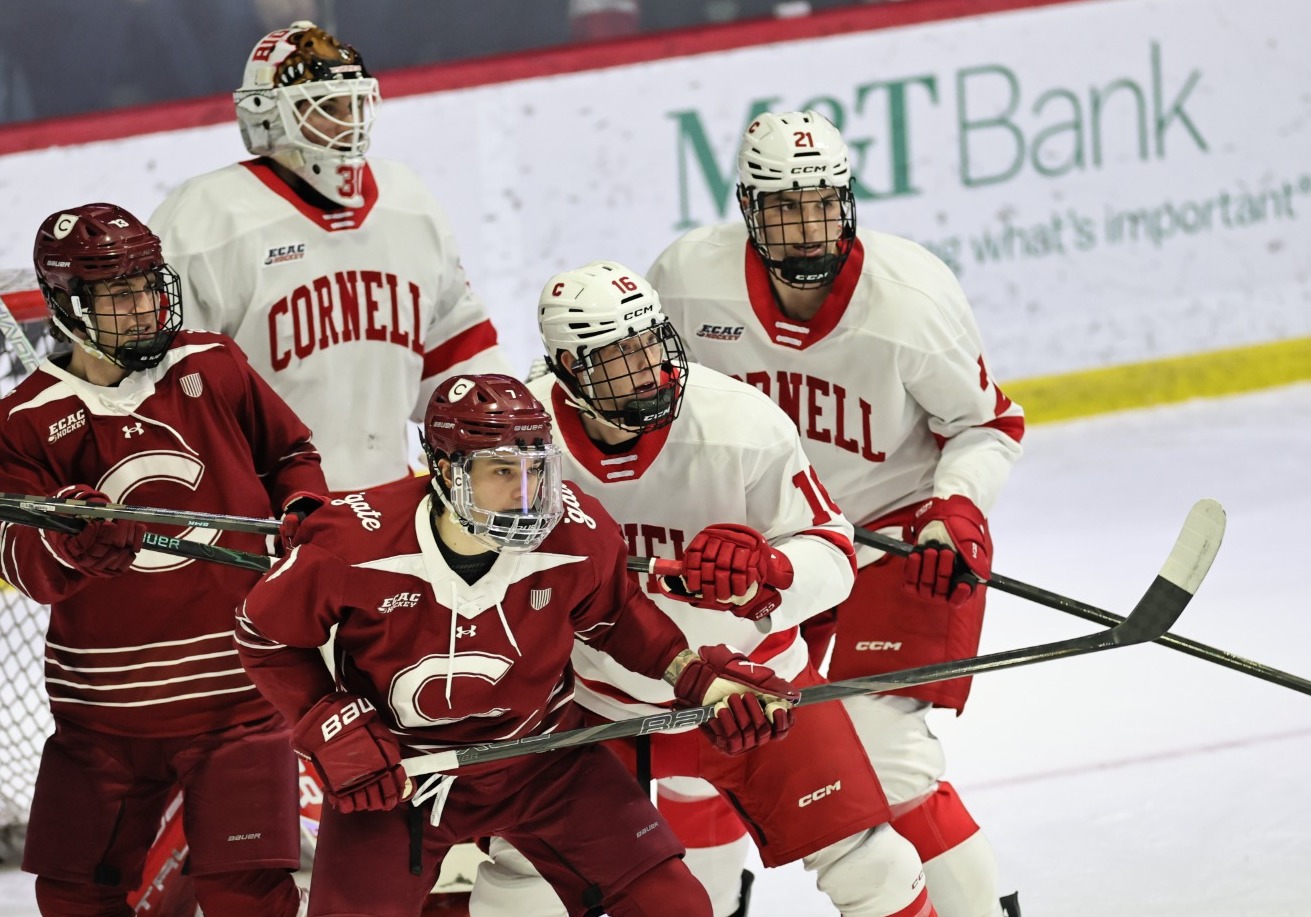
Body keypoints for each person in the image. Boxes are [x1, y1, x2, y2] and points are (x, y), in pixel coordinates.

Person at [234, 373, 801, 917]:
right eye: (502, 470)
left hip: (546, 759)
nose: (527, 493)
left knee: (674, 906)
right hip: (403, 775)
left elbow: (616, 617)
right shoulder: (353, 540)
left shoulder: (577, 530)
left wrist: (696, 676)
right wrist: (328, 719)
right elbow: (264, 634)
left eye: (538, 469)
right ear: (443, 469)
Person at [469, 262, 937, 917]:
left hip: (756, 684)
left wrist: (768, 578)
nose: (651, 373)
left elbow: (831, 552)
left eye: (651, 345)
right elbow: (467, 560)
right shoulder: (524, 441)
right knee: (521, 881)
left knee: (874, 865)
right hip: (599, 699)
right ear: (569, 369)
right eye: (618, 359)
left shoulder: (739, 423)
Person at [647, 110, 1027, 917]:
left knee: (886, 759)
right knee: (689, 748)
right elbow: (650, 410)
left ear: (847, 200)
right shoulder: (685, 281)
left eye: (821, 203)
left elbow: (988, 423)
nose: (807, 226)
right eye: (784, 207)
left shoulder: (909, 300)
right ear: (747, 207)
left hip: (892, 542)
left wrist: (954, 511)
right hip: (756, 556)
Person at [0, 202, 328, 917]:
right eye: (117, 294)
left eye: (147, 286)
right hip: (102, 716)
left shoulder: (212, 365)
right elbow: (14, 556)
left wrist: (299, 514)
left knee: (249, 893)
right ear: (68, 305)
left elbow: (291, 456)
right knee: (73, 892)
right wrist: (64, 538)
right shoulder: (24, 422)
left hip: (239, 696)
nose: (141, 308)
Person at [148, 19, 512, 494]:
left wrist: (502, 435)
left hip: (393, 505)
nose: (348, 123)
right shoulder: (202, 222)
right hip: (270, 517)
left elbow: (456, 357)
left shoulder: (408, 202)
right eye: (324, 108)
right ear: (268, 115)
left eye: (354, 104)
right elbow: (163, 392)